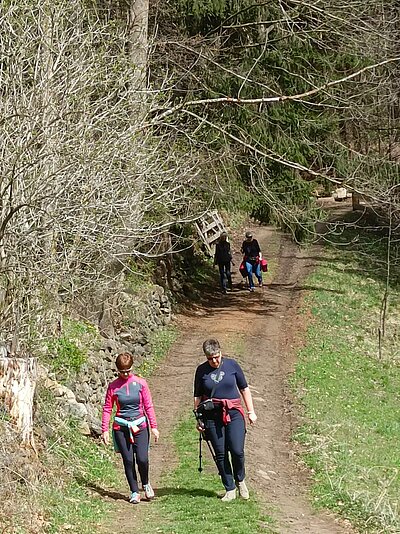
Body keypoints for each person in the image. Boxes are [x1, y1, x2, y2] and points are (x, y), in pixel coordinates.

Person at [193, 339, 257, 501]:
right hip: (212, 417)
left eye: (217, 356)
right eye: (210, 358)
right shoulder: (201, 371)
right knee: (220, 453)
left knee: (237, 450)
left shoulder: (232, 365)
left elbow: (244, 388)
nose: (214, 361)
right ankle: (229, 488)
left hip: (234, 412)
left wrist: (251, 411)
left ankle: (240, 480)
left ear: (221, 353)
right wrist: (199, 419)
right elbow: (197, 396)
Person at [101, 352, 160, 504]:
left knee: (142, 458)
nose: (126, 374)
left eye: (128, 371)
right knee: (128, 460)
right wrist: (105, 430)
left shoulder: (141, 383)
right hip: (121, 428)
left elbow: (148, 406)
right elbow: (108, 408)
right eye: (122, 372)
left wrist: (154, 427)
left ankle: (145, 484)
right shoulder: (113, 387)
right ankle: (134, 491)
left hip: (140, 425)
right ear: (117, 370)